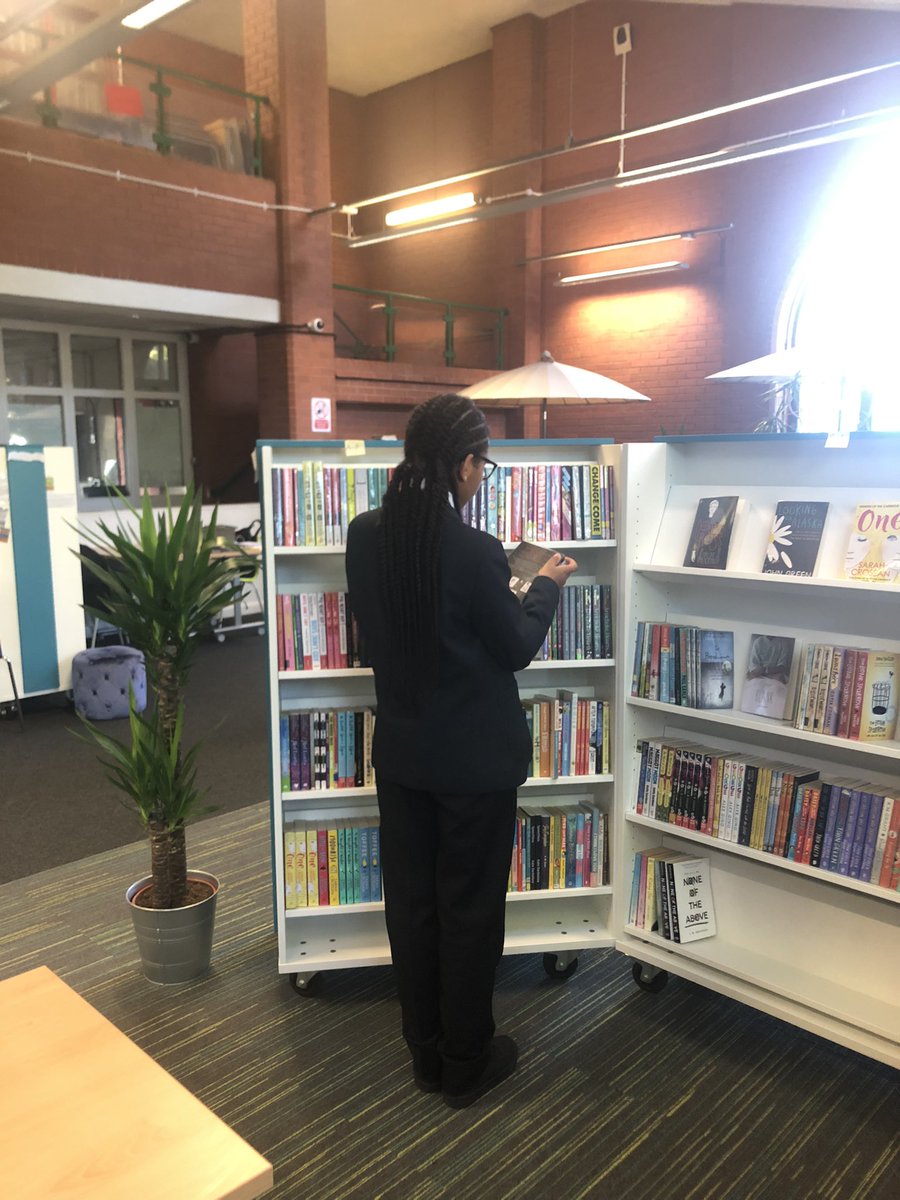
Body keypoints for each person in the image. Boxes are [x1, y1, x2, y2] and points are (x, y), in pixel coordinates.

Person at [345, 393, 577, 1109]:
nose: (482, 477)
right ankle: (467, 1060)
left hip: (406, 757)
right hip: (476, 763)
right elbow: (512, 647)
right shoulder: (473, 550)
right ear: (464, 463)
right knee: (470, 910)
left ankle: (424, 1054)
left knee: (413, 907)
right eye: (484, 464)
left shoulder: (365, 535)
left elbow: (383, 634)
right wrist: (541, 587)